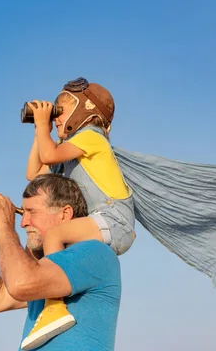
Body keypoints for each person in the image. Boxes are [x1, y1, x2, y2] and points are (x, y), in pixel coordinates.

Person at [21, 77, 135, 349]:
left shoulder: (92, 138)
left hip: (113, 219)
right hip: (96, 221)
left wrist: (41, 125)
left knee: (56, 234)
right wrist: (43, 129)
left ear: (84, 110)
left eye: (60, 111)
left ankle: (54, 305)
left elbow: (49, 156)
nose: (57, 118)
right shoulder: (71, 155)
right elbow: (34, 175)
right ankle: (55, 300)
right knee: (55, 235)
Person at [0, 173, 122, 351]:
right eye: (23, 213)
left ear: (65, 214)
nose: (23, 223)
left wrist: (4, 223)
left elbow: (20, 284)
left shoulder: (94, 252)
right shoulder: (42, 268)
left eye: (32, 212)